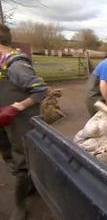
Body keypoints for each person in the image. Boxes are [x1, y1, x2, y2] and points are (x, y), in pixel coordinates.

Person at [0, 24, 48, 220]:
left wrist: (15, 108)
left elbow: (40, 90)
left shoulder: (16, 65)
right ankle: (29, 184)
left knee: (21, 160)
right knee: (9, 156)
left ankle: (21, 205)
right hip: (4, 124)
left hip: (18, 121)